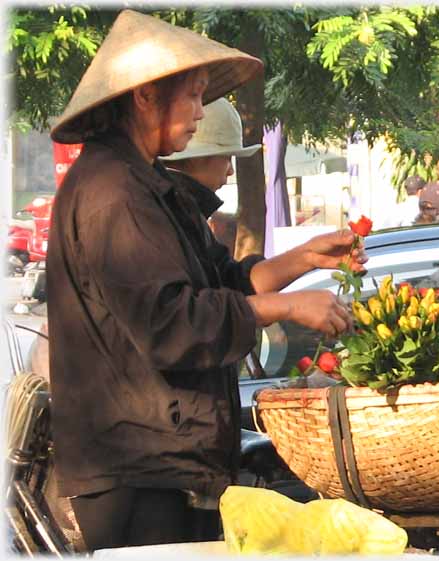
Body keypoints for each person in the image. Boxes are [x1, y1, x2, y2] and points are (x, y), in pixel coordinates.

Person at [46, 10, 362, 551]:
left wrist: (307, 257)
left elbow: (227, 284)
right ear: (145, 97)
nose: (200, 113)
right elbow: (171, 322)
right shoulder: (113, 191)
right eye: (191, 97)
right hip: (136, 469)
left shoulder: (147, 185)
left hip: (171, 462)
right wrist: (286, 310)